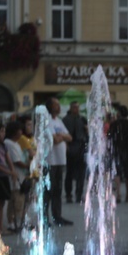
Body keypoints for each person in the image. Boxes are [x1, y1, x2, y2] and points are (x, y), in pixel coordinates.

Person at [46, 97, 73, 226]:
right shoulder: (47, 121)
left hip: (60, 160)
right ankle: (45, 218)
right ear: (50, 106)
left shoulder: (59, 121)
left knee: (57, 190)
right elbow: (54, 140)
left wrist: (60, 136)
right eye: (56, 104)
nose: (59, 107)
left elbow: (70, 137)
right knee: (48, 191)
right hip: (50, 161)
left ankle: (57, 216)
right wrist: (62, 137)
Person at [110, 105, 128, 202]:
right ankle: (127, 194)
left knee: (117, 172)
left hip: (117, 151)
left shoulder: (114, 124)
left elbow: (110, 138)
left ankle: (118, 194)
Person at [4, 121, 29, 232]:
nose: (21, 132)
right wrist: (28, 166)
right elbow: (16, 161)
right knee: (15, 200)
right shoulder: (9, 143)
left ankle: (16, 222)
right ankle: (12, 222)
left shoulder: (15, 143)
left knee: (18, 200)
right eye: (19, 130)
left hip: (20, 175)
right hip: (15, 175)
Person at [62, 101, 87, 204]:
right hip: (71, 147)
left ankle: (79, 194)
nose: (76, 109)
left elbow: (86, 132)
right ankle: (68, 195)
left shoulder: (82, 119)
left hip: (81, 147)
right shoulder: (65, 119)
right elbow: (63, 134)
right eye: (74, 107)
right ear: (71, 108)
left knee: (81, 174)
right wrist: (66, 146)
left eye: (77, 107)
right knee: (69, 172)